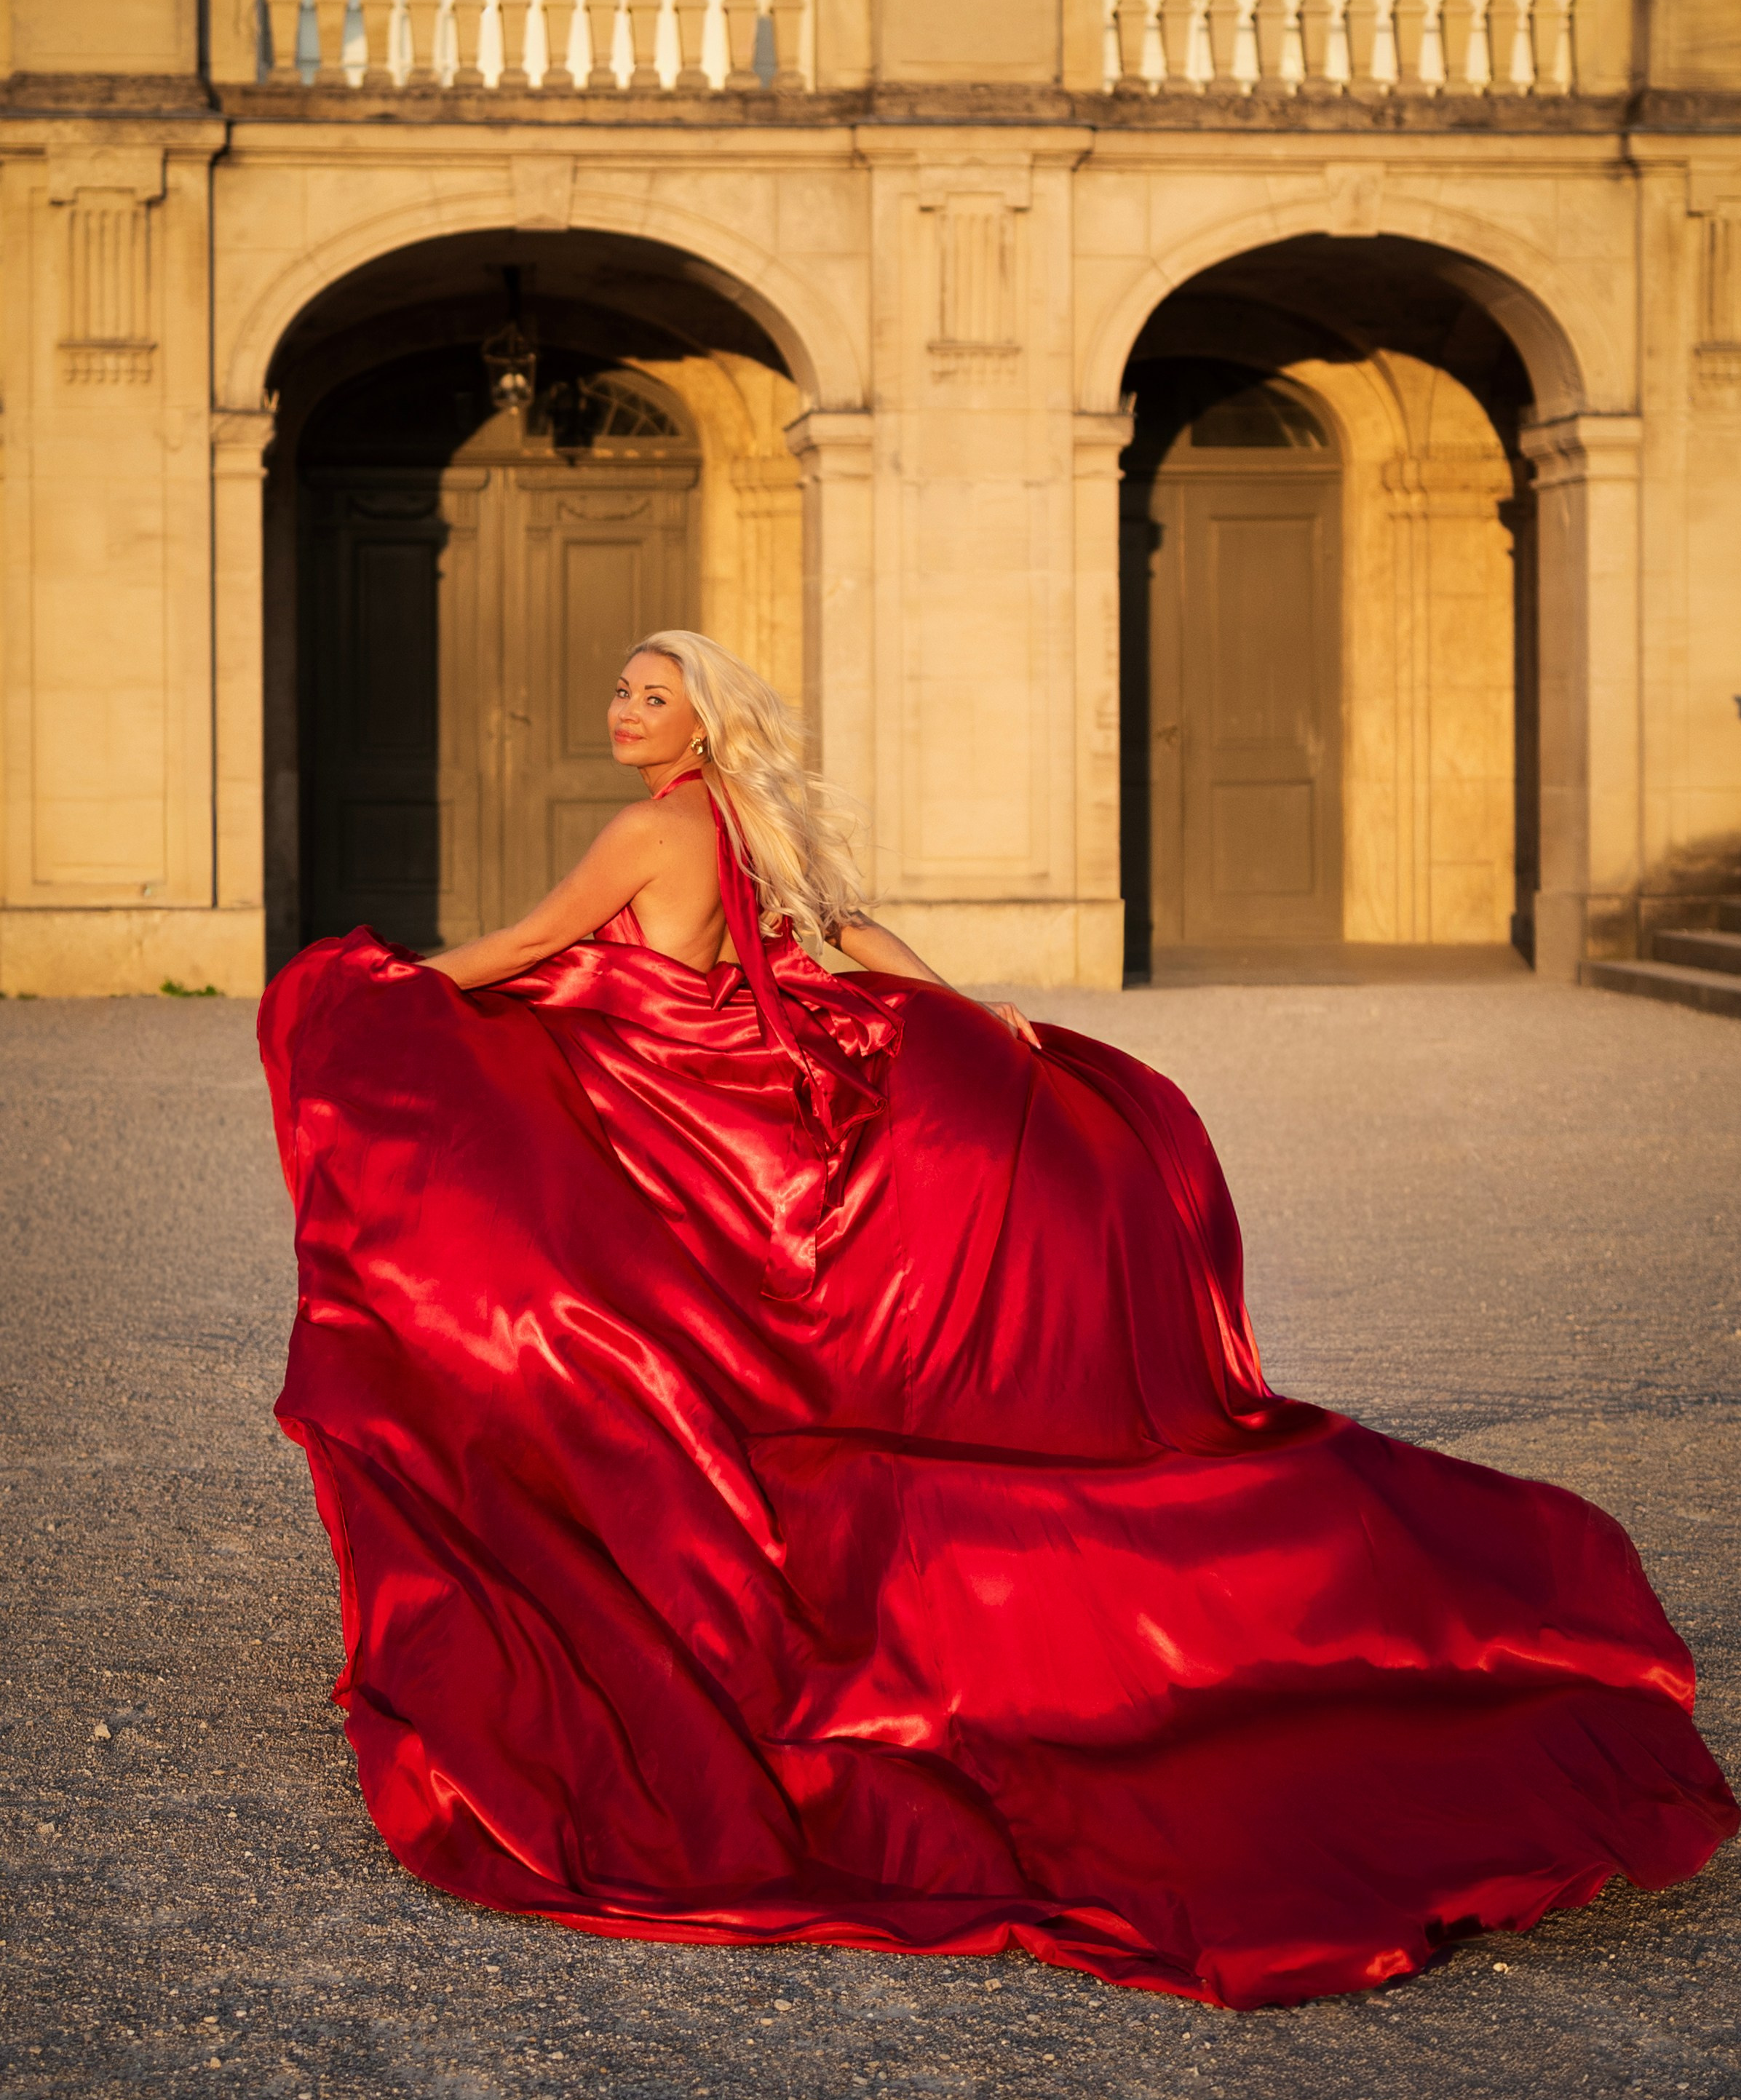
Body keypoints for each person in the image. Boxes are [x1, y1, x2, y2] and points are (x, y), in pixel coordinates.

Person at [261, 629, 1736, 2010]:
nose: (621, 713)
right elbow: (844, 934)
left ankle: (690, 1584)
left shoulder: (651, 829)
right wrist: (978, 1017)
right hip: (714, 1105)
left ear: (703, 718)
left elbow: (527, 945)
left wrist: (361, 992)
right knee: (721, 1359)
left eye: (649, 695)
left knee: (574, 1314)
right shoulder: (741, 825)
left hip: (678, 1117)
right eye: (623, 693)